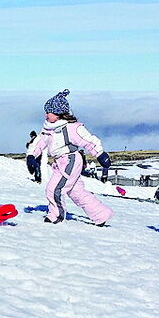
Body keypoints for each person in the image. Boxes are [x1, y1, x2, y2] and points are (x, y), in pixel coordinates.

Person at [28, 89, 113, 226]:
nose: (45, 115)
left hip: (70, 161)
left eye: (48, 112)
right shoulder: (49, 128)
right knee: (76, 192)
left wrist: (100, 154)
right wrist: (31, 156)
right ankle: (100, 215)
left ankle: (56, 216)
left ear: (58, 113)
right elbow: (39, 142)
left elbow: (88, 140)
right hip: (60, 162)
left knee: (54, 189)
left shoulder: (71, 128)